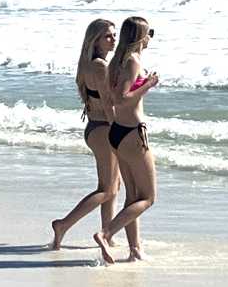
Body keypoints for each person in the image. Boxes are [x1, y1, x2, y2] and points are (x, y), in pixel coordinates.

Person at [51, 19, 133, 251]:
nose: (113, 39)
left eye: (114, 35)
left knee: (112, 186)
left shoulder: (88, 64)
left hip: (95, 128)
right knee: (106, 189)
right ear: (94, 40)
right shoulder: (99, 66)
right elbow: (108, 105)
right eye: (107, 36)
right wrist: (119, 131)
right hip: (104, 129)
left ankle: (108, 233)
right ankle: (63, 224)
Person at [94, 17, 159, 264]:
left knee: (133, 196)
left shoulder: (117, 61)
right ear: (141, 36)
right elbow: (121, 98)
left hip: (118, 131)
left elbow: (111, 98)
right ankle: (106, 232)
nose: (151, 37)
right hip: (132, 133)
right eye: (149, 32)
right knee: (148, 198)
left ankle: (135, 250)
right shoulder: (132, 61)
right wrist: (148, 84)